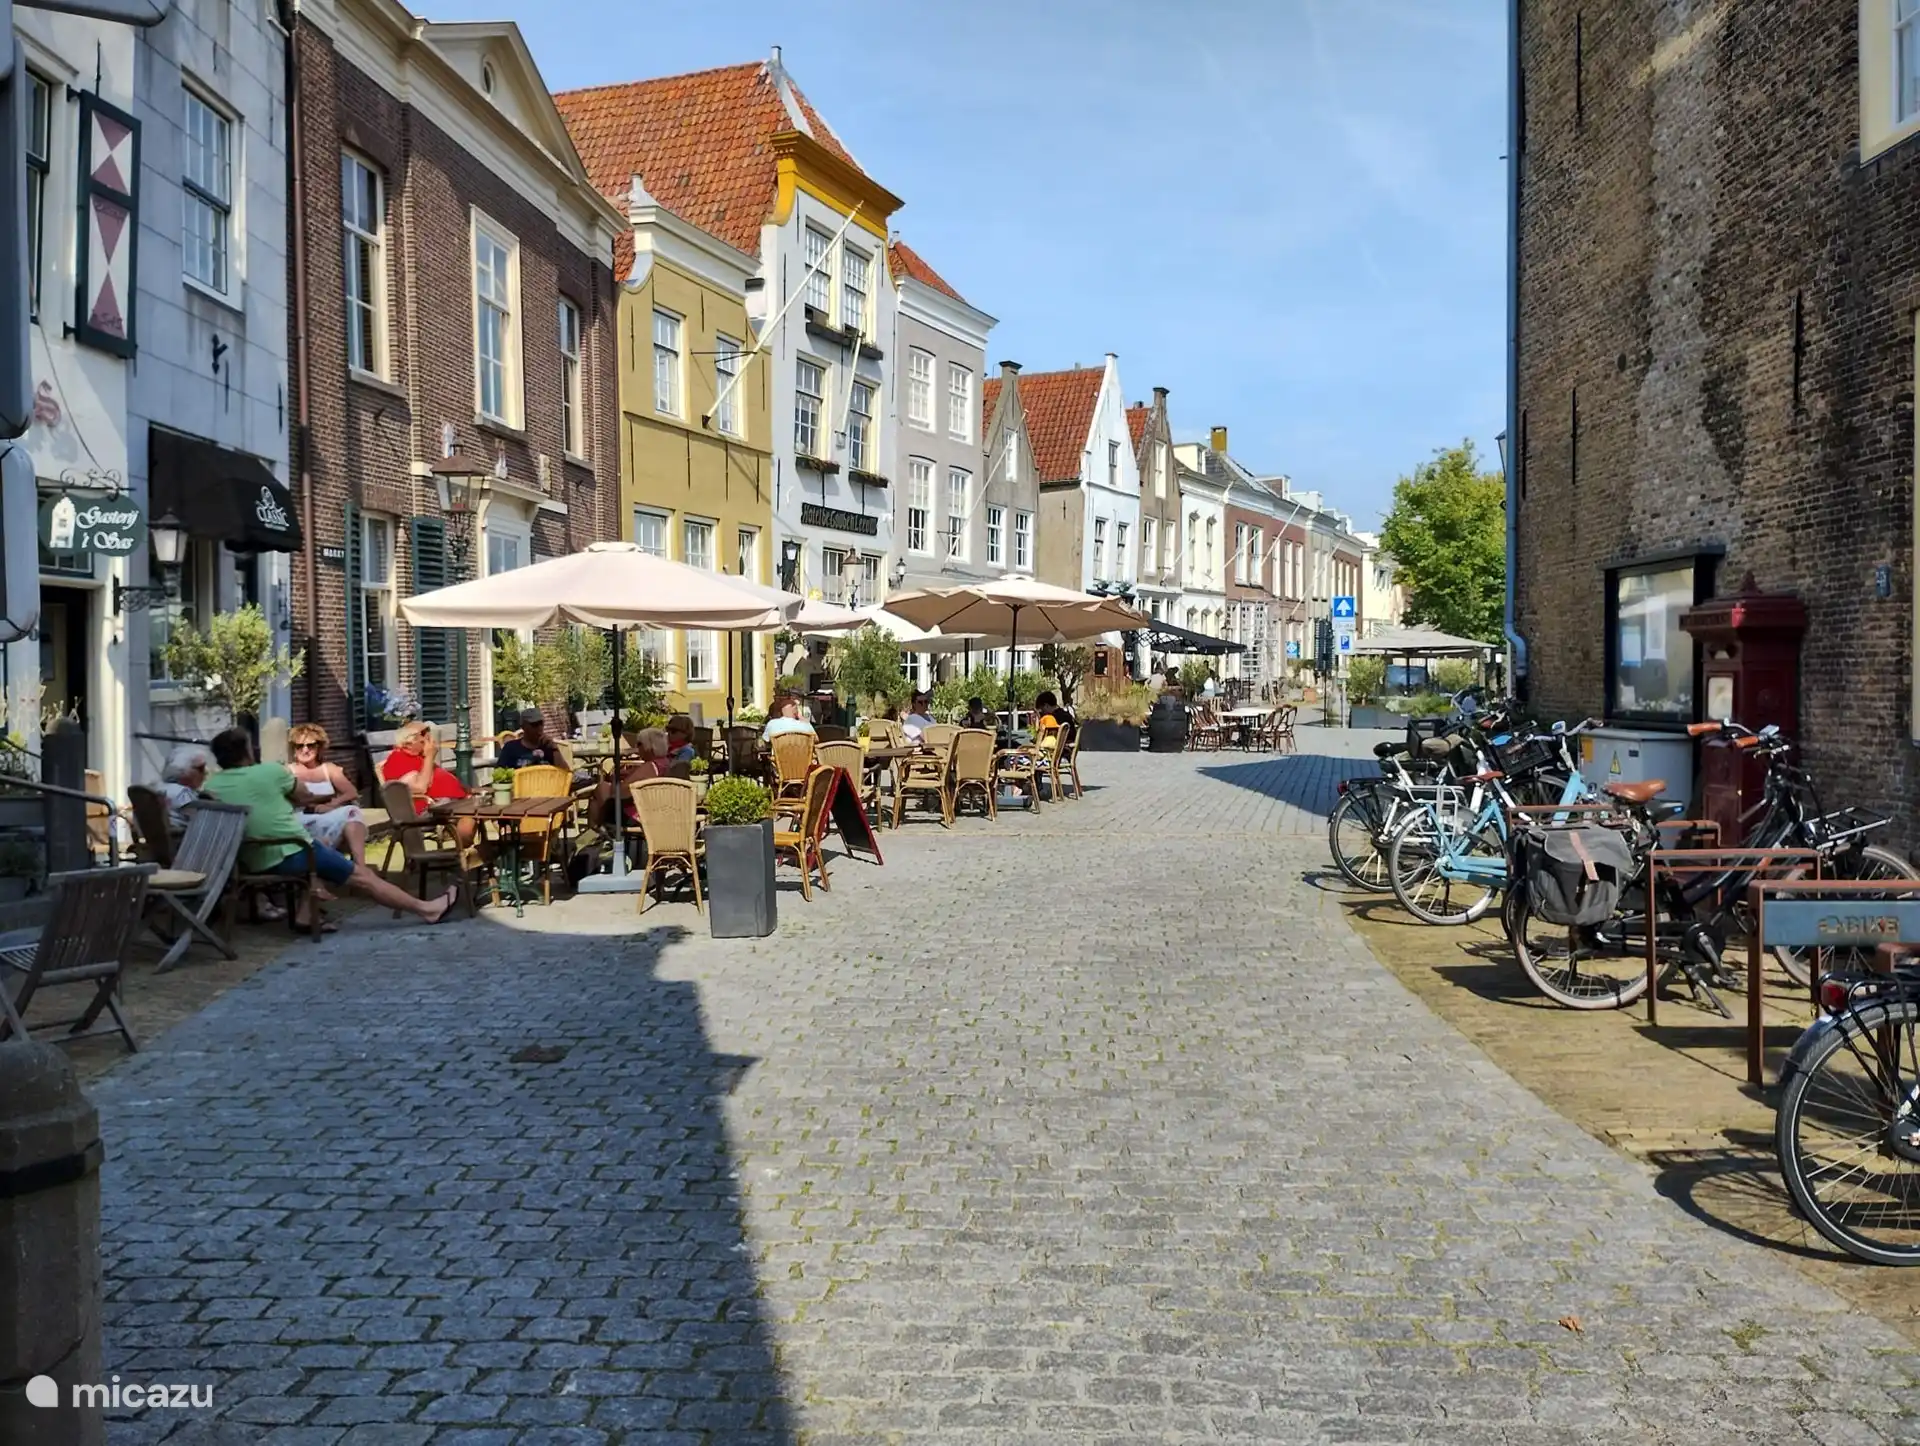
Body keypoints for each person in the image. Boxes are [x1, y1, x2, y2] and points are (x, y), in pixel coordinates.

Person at [202, 727, 456, 930]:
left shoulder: (212, 784)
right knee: (361, 877)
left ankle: (305, 914)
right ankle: (427, 909)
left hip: (246, 857)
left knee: (322, 845)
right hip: (291, 852)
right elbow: (305, 796)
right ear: (248, 751)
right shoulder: (269, 772)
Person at [379, 720, 476, 848]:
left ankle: (468, 854)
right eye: (424, 734)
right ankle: (463, 855)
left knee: (482, 810)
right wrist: (430, 756)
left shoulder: (418, 758)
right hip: (427, 811)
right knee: (471, 815)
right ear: (409, 741)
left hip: (446, 805)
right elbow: (420, 788)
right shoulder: (398, 759)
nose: (429, 738)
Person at [287, 723, 369, 867]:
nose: (305, 750)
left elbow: (351, 792)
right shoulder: (287, 771)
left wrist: (332, 804)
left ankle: (360, 865)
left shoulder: (329, 769)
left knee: (352, 813)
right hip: (301, 818)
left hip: (328, 815)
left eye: (310, 745)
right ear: (294, 749)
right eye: (299, 746)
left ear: (318, 747)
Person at [154, 744, 212, 831]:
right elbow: (198, 821)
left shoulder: (159, 788)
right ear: (183, 771)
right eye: (201, 768)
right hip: (182, 839)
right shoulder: (183, 794)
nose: (206, 772)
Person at [498, 708, 565, 770]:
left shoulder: (548, 747)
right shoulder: (510, 748)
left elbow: (565, 773)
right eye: (534, 724)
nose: (539, 728)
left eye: (541, 723)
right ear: (523, 726)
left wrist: (554, 748)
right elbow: (500, 774)